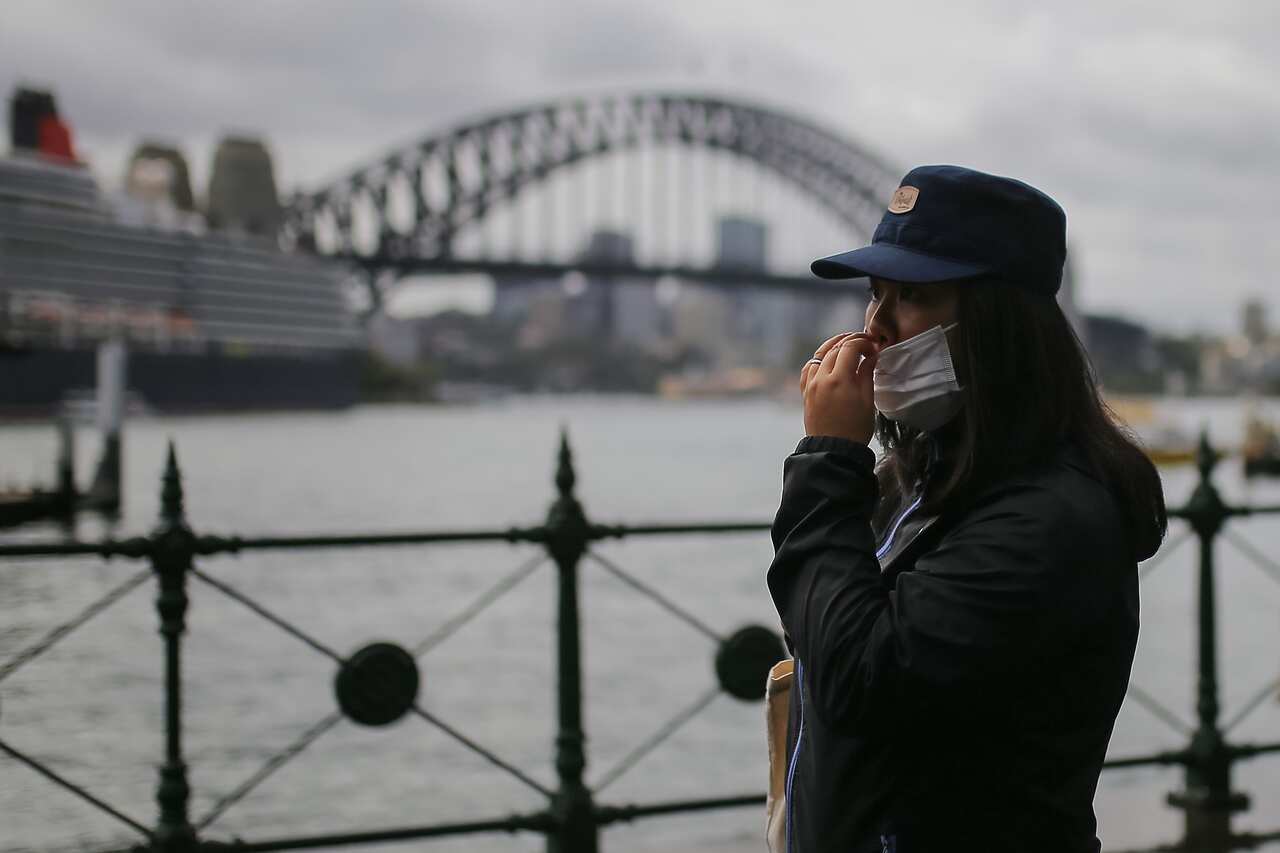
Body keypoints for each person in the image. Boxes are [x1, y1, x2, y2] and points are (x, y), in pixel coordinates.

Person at [766, 165, 1166, 853]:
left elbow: (860, 679)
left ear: (996, 322)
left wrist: (828, 457)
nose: (876, 327)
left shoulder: (1049, 519)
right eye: (875, 292)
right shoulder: (920, 480)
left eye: (913, 295)